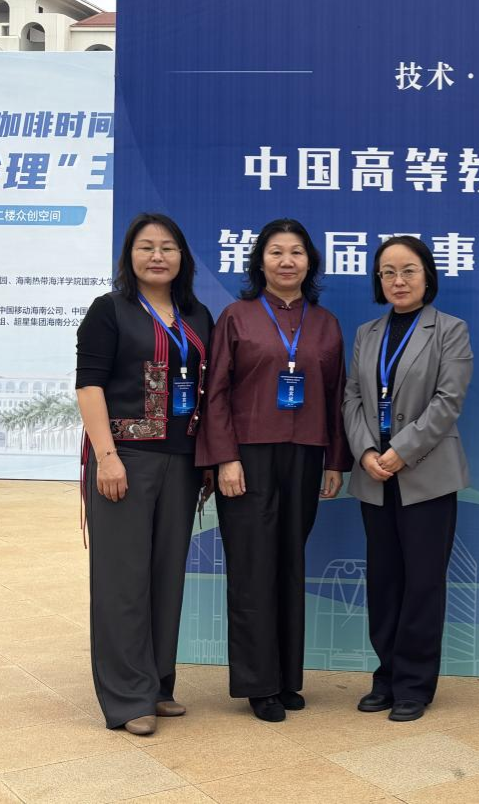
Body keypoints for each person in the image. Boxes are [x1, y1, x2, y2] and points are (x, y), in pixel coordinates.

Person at [196, 218, 351, 722]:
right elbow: (215, 392)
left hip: (305, 454)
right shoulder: (236, 317)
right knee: (252, 568)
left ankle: (285, 678)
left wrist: (335, 460)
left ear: (310, 263)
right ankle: (257, 683)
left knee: (289, 564)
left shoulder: (325, 323)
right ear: (259, 262)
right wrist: (225, 458)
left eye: (297, 252)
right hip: (247, 457)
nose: (287, 261)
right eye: (276, 252)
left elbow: (337, 394)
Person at [76, 212, 214, 736]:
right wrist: (107, 456)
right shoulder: (110, 310)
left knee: (165, 576)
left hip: (182, 462)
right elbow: (89, 386)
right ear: (129, 256)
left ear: (183, 257)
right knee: (122, 580)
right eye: (146, 247)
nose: (157, 256)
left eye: (168, 247)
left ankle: (157, 685)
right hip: (125, 460)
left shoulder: (198, 315)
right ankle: (125, 697)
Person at [343, 236, 473, 722]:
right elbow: (352, 397)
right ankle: (386, 677)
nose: (398, 281)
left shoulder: (450, 330)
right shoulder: (367, 332)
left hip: (426, 473)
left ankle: (415, 684)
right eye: (388, 273)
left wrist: (401, 451)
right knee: (383, 580)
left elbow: (448, 401)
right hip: (374, 474)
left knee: (422, 582)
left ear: (427, 275)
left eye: (408, 270)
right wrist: (366, 451)